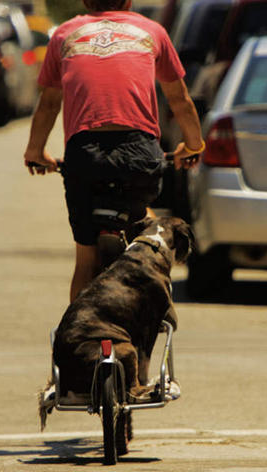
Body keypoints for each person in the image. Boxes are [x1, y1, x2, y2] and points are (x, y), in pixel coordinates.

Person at [23, 0, 205, 302]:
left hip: (85, 157)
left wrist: (35, 152)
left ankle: (82, 337)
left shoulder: (64, 35)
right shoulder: (152, 31)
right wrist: (194, 145)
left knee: (85, 260)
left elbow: (49, 104)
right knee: (142, 217)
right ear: (129, 1)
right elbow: (180, 99)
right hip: (140, 154)